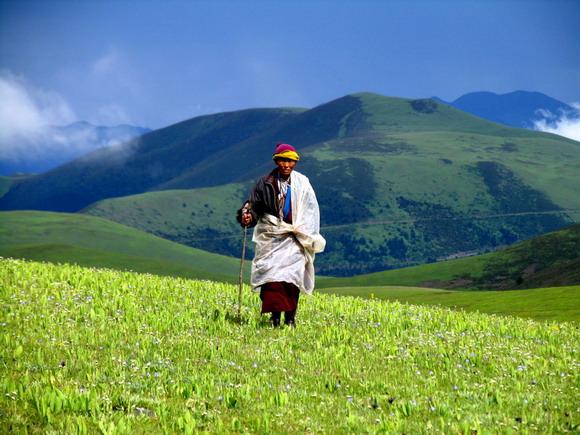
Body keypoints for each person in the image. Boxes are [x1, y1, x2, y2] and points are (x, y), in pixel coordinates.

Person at [237, 143, 326, 327]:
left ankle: (290, 319)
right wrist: (246, 216)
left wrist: (304, 231)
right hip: (271, 236)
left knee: (292, 278)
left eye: (291, 161)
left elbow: (310, 210)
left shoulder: (302, 183)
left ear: (295, 163)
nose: (287, 165)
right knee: (272, 278)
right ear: (277, 161)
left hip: (295, 238)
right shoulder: (265, 182)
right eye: (283, 160)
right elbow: (252, 205)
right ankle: (275, 317)